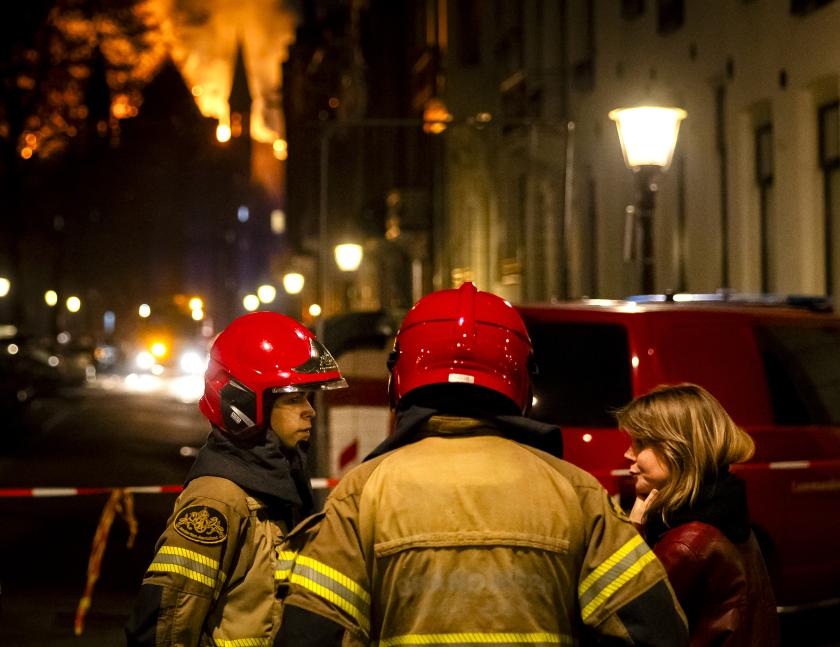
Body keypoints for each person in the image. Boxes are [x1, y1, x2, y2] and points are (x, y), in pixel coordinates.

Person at [274, 282, 688, 647]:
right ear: (522, 379)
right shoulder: (577, 493)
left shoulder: (361, 494)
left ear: (399, 377)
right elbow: (657, 632)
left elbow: (312, 634)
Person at [125, 311, 347, 646]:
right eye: (293, 398)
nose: (310, 410)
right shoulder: (216, 501)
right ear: (243, 404)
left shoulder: (281, 484)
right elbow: (165, 630)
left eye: (307, 396)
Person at [617, 383, 780, 646]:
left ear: (678, 449)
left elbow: (627, 624)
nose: (628, 453)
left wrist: (633, 529)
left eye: (641, 443)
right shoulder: (725, 514)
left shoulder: (687, 543)